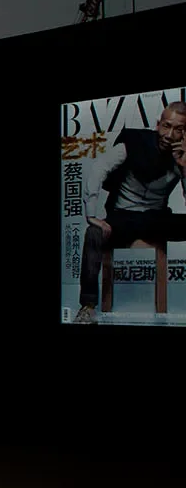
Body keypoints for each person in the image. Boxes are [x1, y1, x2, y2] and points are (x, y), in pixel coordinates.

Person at [74, 100, 186, 323]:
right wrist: (91, 214)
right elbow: (100, 167)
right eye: (166, 126)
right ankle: (88, 307)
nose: (169, 135)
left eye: (178, 129)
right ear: (158, 125)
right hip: (123, 217)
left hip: (156, 218)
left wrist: (184, 168)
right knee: (93, 233)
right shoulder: (134, 142)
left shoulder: (182, 156)